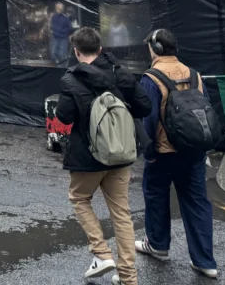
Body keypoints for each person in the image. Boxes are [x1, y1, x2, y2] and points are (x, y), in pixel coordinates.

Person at [54, 27, 151, 285]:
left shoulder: (71, 79)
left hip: (87, 156)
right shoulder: (120, 73)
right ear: (100, 49)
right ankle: (129, 277)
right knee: (121, 212)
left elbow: (63, 117)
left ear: (76, 52)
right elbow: (144, 106)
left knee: (79, 197)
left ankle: (101, 253)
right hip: (121, 152)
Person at [136, 29, 218, 278]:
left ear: (156, 49)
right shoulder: (195, 75)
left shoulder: (151, 77)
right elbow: (207, 108)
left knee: (156, 196)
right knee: (196, 203)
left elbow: (147, 118)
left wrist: (147, 151)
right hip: (193, 151)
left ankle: (158, 245)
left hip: (163, 152)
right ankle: (205, 261)